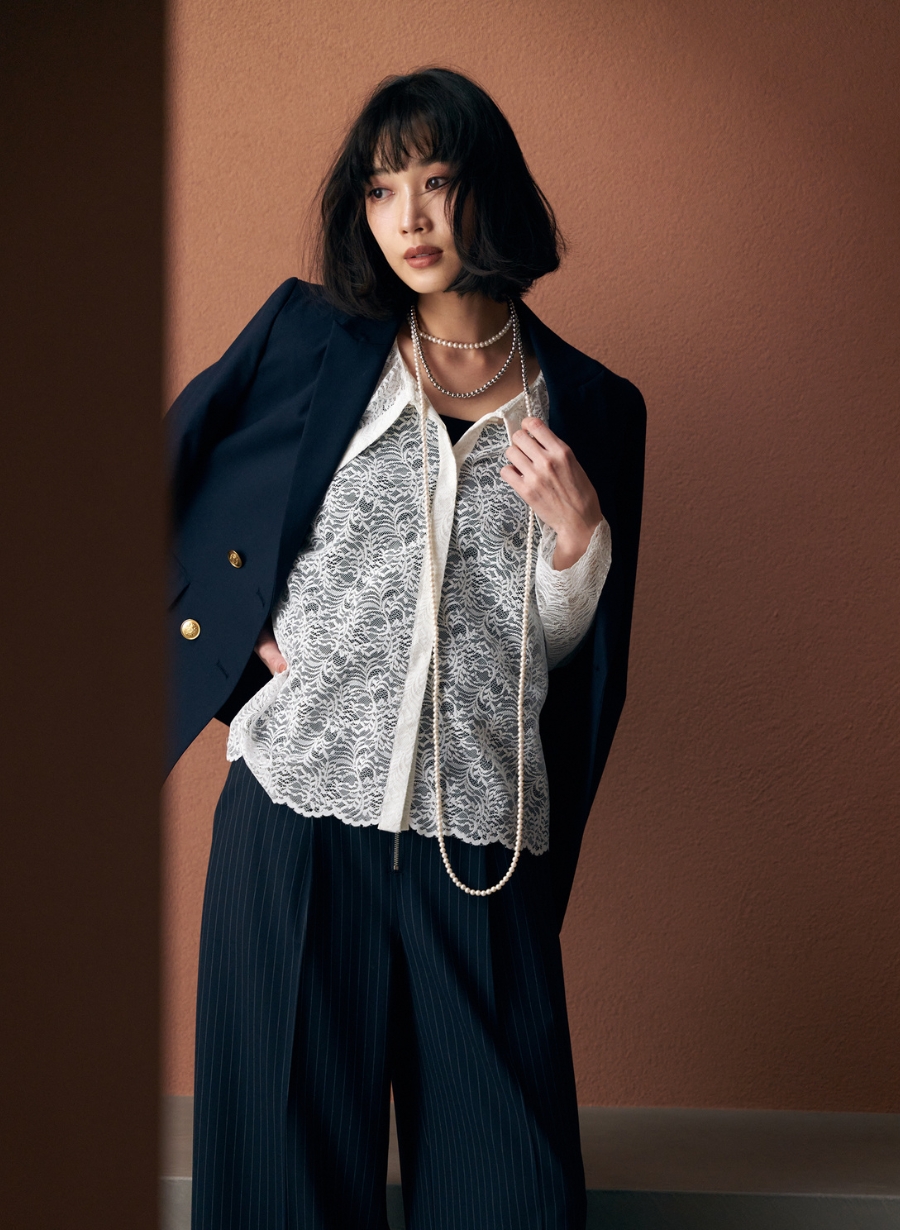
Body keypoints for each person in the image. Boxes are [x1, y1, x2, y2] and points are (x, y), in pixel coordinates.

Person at [167, 67, 645, 1230]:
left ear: (493, 192)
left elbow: (553, 659)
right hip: (294, 831)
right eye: (383, 190)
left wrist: (581, 546)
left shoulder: (592, 404)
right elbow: (161, 480)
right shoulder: (309, 341)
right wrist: (232, 635)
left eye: (437, 181)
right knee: (280, 1199)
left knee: (511, 1196)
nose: (411, 218)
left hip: (477, 846)